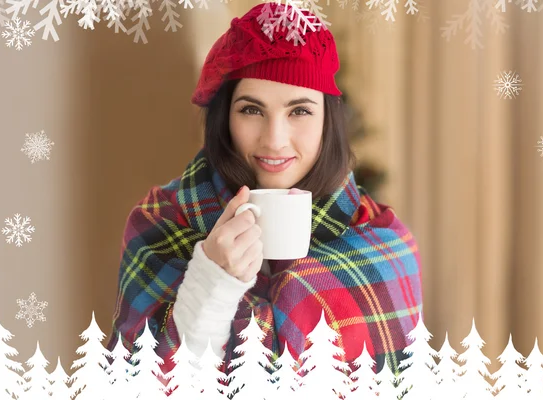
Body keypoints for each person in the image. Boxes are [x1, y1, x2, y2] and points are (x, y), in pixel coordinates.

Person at [106, 0, 422, 388]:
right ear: (225, 118)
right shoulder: (161, 223)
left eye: (300, 111)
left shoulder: (384, 244)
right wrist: (211, 280)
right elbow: (138, 385)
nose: (274, 140)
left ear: (329, 120)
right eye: (252, 110)